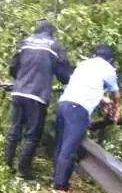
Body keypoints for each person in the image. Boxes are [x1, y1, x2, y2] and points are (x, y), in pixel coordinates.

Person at [52, 44, 120, 193]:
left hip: (64, 104)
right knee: (69, 147)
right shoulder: (108, 69)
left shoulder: (84, 65)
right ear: (110, 59)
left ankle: (55, 178)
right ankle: (60, 186)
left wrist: (102, 99)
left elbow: (85, 86)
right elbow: (116, 95)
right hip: (78, 110)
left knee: (60, 144)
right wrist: (116, 109)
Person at [5, 19, 72, 179]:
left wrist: (22, 78)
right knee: (32, 133)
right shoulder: (55, 46)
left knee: (14, 129)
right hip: (37, 95)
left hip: (18, 91)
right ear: (51, 32)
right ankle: (23, 170)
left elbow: (13, 67)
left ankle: (6, 165)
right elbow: (64, 75)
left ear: (37, 30)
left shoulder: (25, 42)